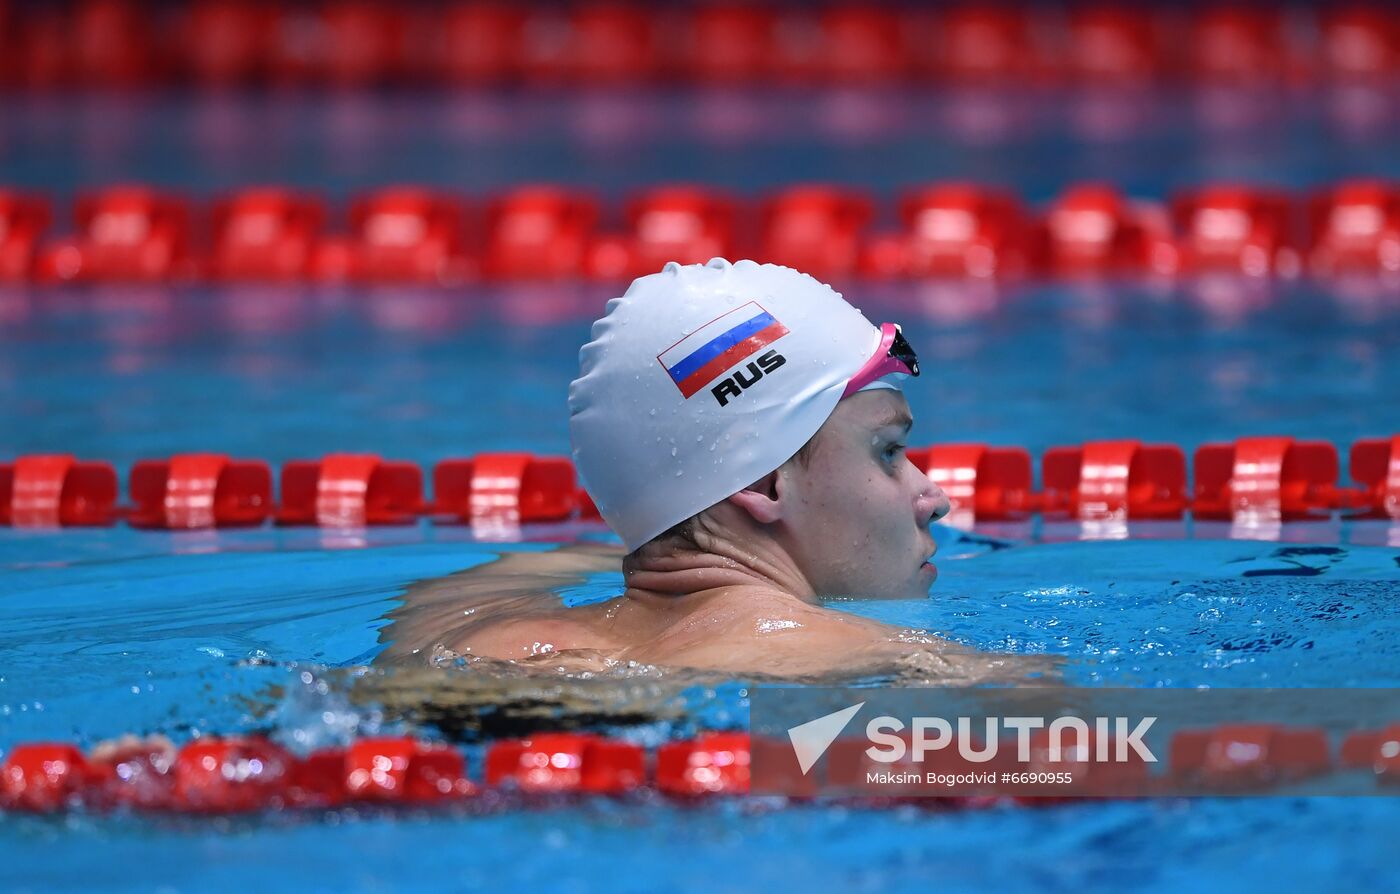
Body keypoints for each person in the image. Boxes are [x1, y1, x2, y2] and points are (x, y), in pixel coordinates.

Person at [379, 259, 1051, 683]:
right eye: (887, 452)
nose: (933, 497)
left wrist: (662, 519)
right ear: (762, 487)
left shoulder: (452, 623)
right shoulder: (888, 662)